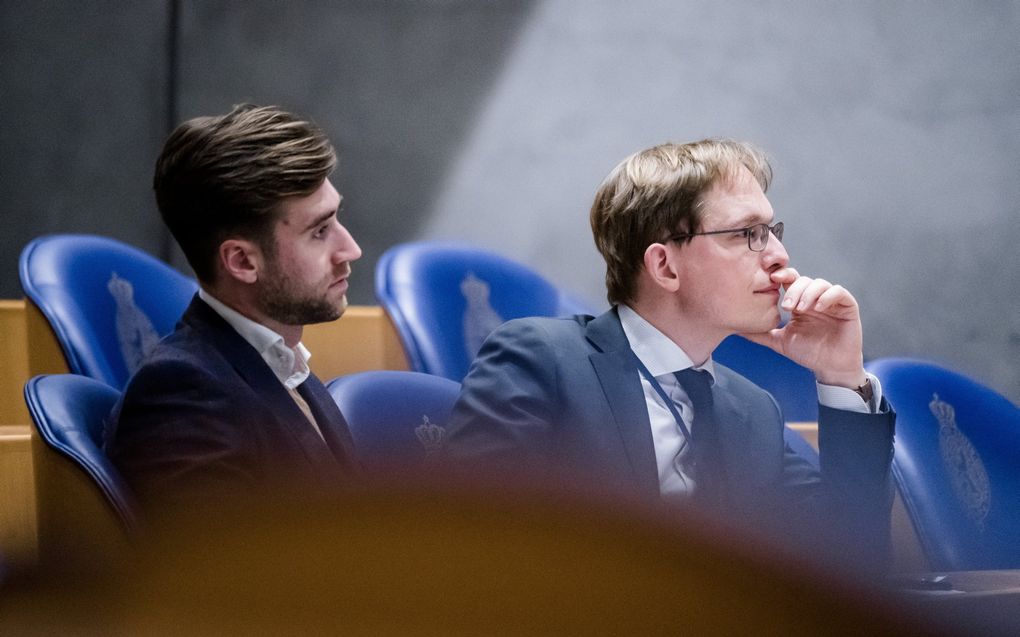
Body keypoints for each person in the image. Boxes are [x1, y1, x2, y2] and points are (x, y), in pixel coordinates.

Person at [445, 139, 896, 568]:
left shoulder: (752, 411)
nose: (780, 256)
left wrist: (841, 377)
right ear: (665, 266)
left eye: (773, 232)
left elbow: (852, 563)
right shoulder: (543, 360)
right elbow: (474, 543)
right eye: (747, 234)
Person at [106, 104, 362, 515]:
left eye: (337, 219)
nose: (351, 249)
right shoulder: (181, 394)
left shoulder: (289, 370)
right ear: (242, 262)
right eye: (320, 231)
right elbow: (222, 576)